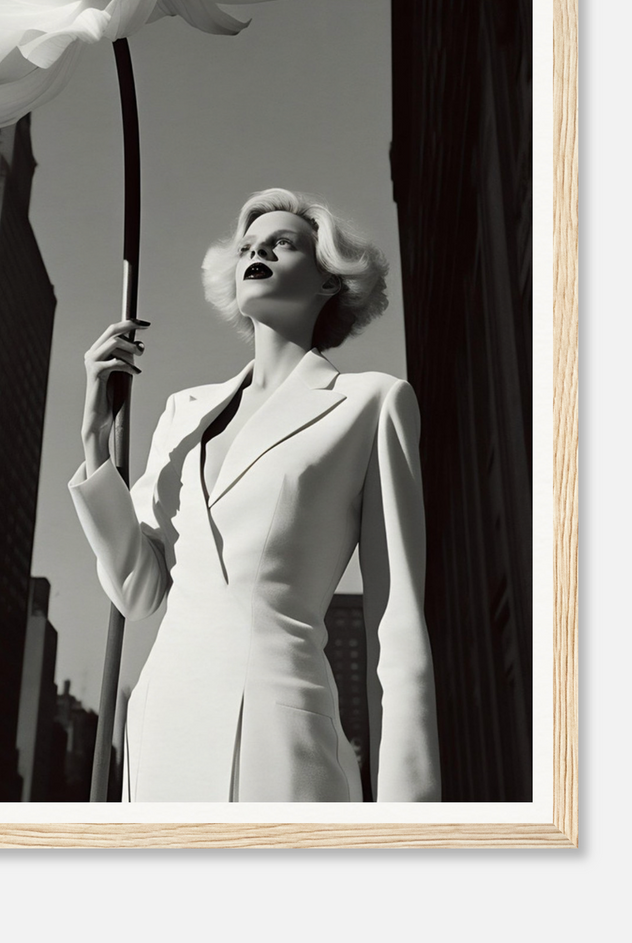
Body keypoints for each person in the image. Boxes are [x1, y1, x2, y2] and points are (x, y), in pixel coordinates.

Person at [69, 188, 440, 802]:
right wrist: (94, 442)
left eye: (281, 243)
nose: (257, 252)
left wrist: (410, 812)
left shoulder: (373, 402)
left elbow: (396, 622)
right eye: (246, 246)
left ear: (328, 280)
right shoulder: (181, 413)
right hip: (162, 731)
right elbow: (138, 593)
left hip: (280, 734)